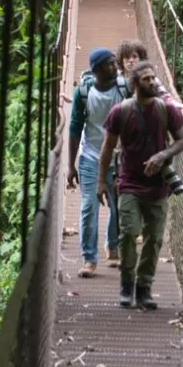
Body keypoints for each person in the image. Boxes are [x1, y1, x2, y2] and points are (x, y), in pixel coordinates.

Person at [97, 61, 183, 309]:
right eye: (146, 79)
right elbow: (107, 148)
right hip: (129, 183)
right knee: (128, 233)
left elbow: (182, 141)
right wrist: (100, 181)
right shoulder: (120, 111)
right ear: (135, 84)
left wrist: (161, 156)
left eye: (153, 78)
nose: (152, 82)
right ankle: (127, 284)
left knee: (154, 239)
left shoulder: (167, 109)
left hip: (158, 187)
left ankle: (144, 288)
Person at [68, 47, 125, 278]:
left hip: (119, 158)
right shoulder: (83, 93)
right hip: (90, 156)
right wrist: (71, 165)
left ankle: (112, 245)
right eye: (111, 63)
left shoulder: (125, 88)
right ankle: (89, 259)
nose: (116, 66)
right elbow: (74, 128)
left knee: (117, 205)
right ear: (98, 68)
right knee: (89, 207)